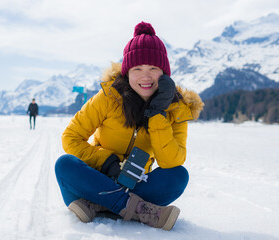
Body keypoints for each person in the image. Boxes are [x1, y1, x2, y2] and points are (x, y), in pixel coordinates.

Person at [55, 22, 204, 230]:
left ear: (164, 72)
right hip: (96, 178)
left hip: (135, 185)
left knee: (178, 176)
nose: (146, 76)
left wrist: (158, 114)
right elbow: (70, 137)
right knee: (65, 165)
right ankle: (139, 210)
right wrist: (106, 162)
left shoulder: (175, 109)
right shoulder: (109, 97)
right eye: (137, 69)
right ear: (127, 72)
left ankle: (97, 205)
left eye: (153, 68)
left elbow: (172, 161)